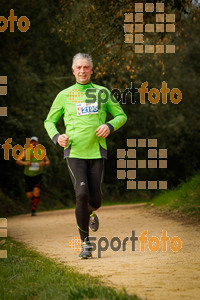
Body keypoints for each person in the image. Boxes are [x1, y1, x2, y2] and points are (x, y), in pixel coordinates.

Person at [44, 53, 127, 259]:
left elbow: (121, 116)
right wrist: (56, 137)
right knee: (81, 195)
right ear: (73, 71)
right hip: (74, 152)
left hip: (97, 151)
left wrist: (109, 125)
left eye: (86, 67)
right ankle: (86, 245)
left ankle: (90, 212)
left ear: (92, 70)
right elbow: (49, 121)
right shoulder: (64, 95)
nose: (82, 71)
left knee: (95, 200)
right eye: (78, 68)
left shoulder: (102, 92)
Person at [16, 136, 50, 216]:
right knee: (29, 195)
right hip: (28, 175)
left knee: (36, 191)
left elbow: (48, 162)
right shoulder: (26, 152)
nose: (34, 143)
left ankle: (33, 210)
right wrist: (25, 163)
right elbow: (18, 161)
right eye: (32, 142)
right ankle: (33, 201)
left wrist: (44, 164)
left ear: (38, 143)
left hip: (38, 175)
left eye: (35, 142)